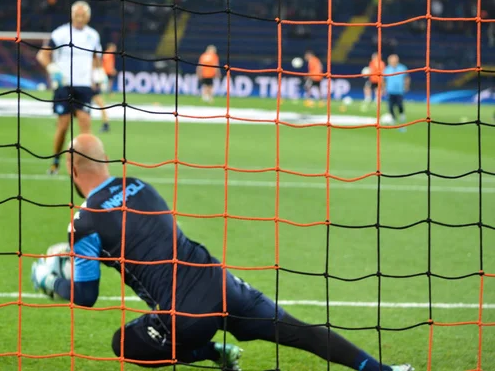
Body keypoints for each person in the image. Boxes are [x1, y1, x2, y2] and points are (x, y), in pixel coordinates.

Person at [31, 133, 415, 371]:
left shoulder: (85, 221)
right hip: (220, 281)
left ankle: (213, 352)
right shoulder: (139, 184)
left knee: (124, 344)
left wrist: (50, 281)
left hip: (186, 315)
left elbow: (86, 296)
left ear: (72, 167)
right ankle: (382, 370)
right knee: (297, 331)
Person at [36, 0, 104, 175]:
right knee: (64, 126)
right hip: (64, 86)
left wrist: (98, 76)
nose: (80, 18)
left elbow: (97, 59)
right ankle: (55, 161)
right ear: (72, 15)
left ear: (88, 17)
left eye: (83, 15)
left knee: (85, 128)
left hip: (84, 86)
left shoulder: (93, 35)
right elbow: (42, 55)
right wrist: (52, 70)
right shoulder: (61, 33)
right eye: (77, 15)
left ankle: (85, 167)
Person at [383, 54, 410, 132]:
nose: (392, 61)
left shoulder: (402, 68)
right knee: (390, 106)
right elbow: (383, 80)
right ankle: (393, 119)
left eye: (394, 60)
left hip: (399, 91)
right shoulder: (387, 69)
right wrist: (383, 89)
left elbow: (407, 77)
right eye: (391, 60)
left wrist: (406, 86)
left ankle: (402, 116)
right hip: (390, 91)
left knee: (399, 104)